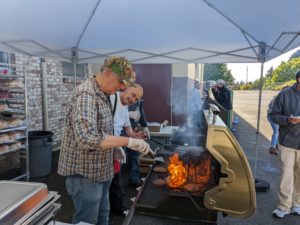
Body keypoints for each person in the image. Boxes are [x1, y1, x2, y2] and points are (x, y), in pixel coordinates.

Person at [57, 56, 154, 225]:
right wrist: (127, 142)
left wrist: (115, 147)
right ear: (108, 73)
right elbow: (87, 138)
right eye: (122, 82)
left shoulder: (103, 93)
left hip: (101, 170)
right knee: (87, 220)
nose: (123, 87)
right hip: (85, 173)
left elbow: (104, 129)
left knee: (103, 216)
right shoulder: (86, 95)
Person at [109, 84, 145, 217]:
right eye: (133, 95)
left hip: (115, 145)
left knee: (115, 178)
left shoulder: (124, 106)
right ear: (126, 89)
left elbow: (128, 129)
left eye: (137, 99)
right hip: (108, 145)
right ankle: (112, 210)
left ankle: (116, 209)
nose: (133, 100)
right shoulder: (112, 99)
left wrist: (138, 136)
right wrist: (116, 145)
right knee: (109, 181)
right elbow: (104, 127)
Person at [269, 71, 300, 218]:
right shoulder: (285, 94)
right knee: (287, 175)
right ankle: (283, 207)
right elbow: (273, 115)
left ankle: (297, 204)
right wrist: (288, 119)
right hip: (288, 141)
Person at [127, 98, 150, 187]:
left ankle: (134, 178)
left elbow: (140, 111)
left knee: (134, 155)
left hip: (134, 131)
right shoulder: (121, 96)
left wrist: (145, 126)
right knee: (119, 160)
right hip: (121, 131)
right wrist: (128, 114)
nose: (136, 99)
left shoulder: (138, 99)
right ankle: (117, 187)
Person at [267, 86, 289, 155]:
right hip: (272, 117)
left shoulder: (281, 97)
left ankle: (276, 145)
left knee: (278, 131)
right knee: (276, 131)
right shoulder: (278, 98)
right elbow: (272, 108)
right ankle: (272, 148)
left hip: (273, 116)